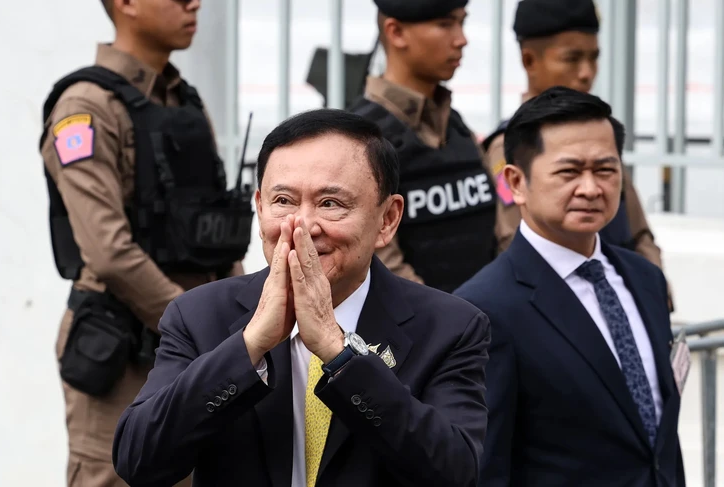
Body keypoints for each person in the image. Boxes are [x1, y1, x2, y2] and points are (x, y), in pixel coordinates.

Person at [112, 108, 490, 487]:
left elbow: (455, 473)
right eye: (283, 201)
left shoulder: (450, 327)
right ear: (259, 207)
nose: (303, 226)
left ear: (388, 219)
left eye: (330, 204)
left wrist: (339, 354)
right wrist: (249, 346)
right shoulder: (199, 315)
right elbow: (138, 460)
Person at [40, 1, 251, 485]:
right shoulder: (85, 108)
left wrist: (238, 321)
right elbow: (108, 252)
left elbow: (215, 234)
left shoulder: (186, 103)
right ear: (126, 5)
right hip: (123, 350)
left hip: (194, 343)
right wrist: (196, 328)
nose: (194, 3)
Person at [455, 87, 685, 486]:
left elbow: (659, 442)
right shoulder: (484, 309)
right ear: (516, 182)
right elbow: (485, 466)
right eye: (569, 172)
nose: (591, 188)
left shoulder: (645, 279)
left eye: (605, 170)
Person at [482, 0, 674, 309]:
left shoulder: (599, 136)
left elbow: (638, 231)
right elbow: (513, 242)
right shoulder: (507, 148)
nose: (586, 73)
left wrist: (651, 290)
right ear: (530, 60)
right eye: (571, 59)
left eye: (593, 58)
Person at [348, 0, 508, 293]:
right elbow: (381, 267)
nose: (461, 39)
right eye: (445, 24)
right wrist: (455, 318)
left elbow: (501, 236)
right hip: (422, 320)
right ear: (396, 32)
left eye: (462, 22)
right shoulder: (358, 140)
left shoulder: (457, 127)